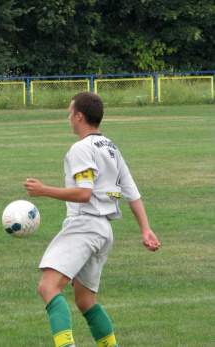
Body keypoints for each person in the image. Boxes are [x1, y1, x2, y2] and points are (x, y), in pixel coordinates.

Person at [23, 92, 160, 347]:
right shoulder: (111, 148)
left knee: (48, 287)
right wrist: (146, 229)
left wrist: (43, 190)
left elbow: (84, 194)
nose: (68, 118)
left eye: (69, 113)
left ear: (79, 116)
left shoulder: (81, 149)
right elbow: (131, 191)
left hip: (85, 226)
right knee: (85, 300)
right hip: (104, 231)